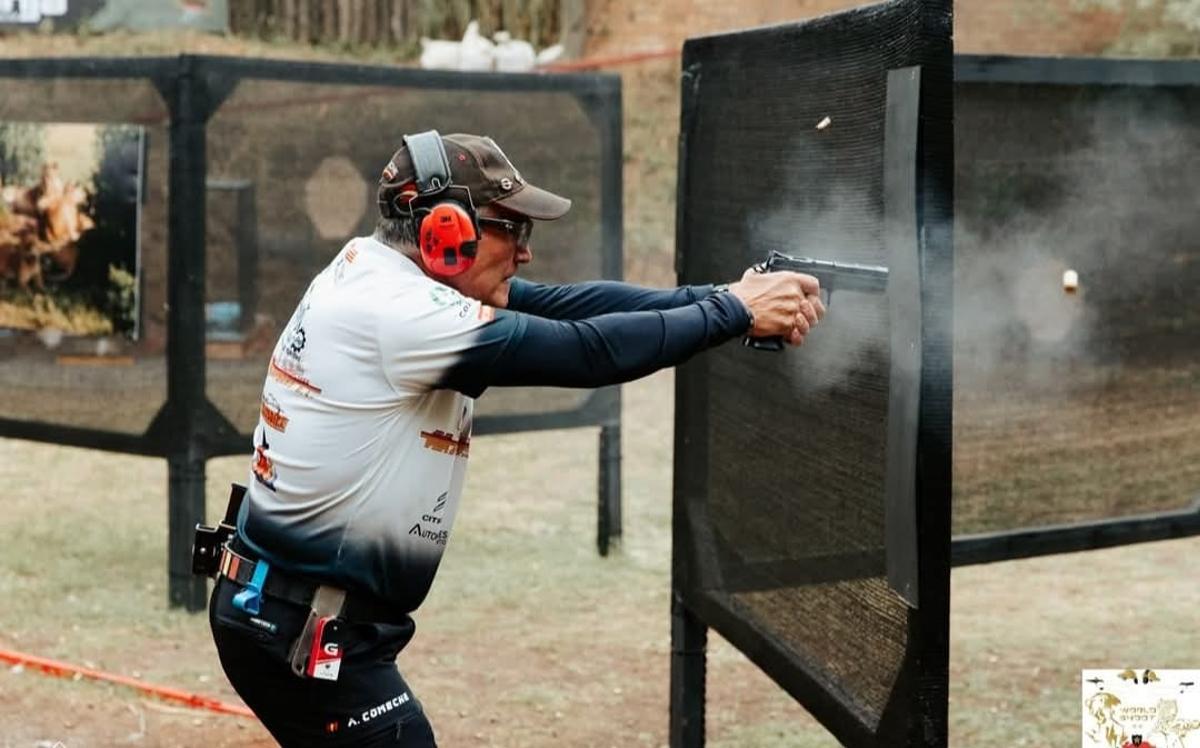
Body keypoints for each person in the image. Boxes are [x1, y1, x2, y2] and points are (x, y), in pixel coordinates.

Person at [208, 130, 824, 747]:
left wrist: (722, 297)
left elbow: (569, 305)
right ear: (443, 229)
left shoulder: (377, 274)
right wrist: (736, 312)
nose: (524, 252)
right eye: (511, 229)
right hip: (297, 624)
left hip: (286, 612)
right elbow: (588, 353)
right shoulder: (399, 312)